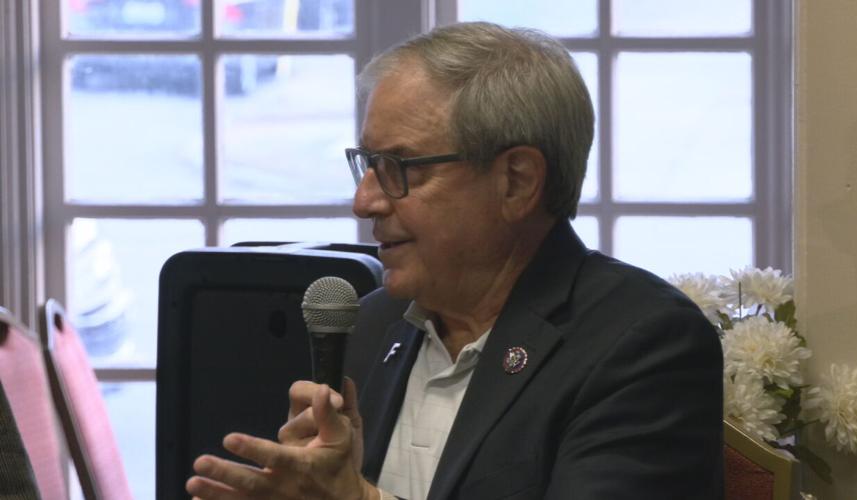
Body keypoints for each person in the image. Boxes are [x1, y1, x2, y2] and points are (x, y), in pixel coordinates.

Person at [186, 21, 724, 500]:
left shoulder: (641, 344)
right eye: (367, 164)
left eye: (399, 166)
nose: (364, 201)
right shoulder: (372, 327)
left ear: (517, 181)